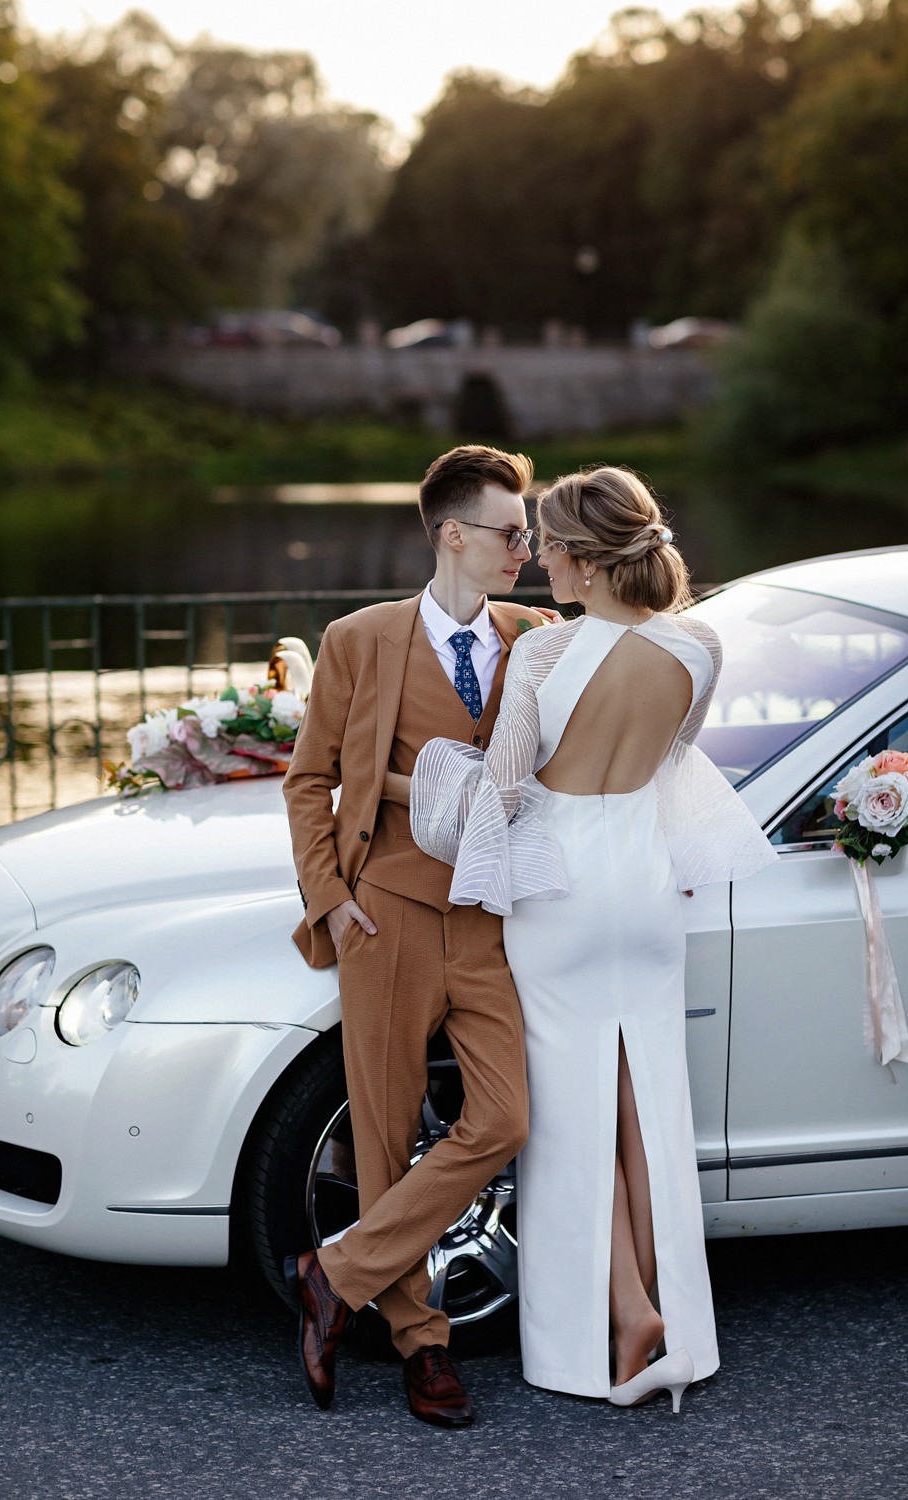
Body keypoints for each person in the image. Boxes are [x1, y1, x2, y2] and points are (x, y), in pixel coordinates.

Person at [411, 465, 777, 1411]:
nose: (537, 568)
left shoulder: (540, 657)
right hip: (646, 886)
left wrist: (425, 784)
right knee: (650, 1104)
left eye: (547, 549)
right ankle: (667, 1319)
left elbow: (500, 794)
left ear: (578, 559)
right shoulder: (698, 648)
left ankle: (611, 1325)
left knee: (574, 1116)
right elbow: (673, 755)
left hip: (561, 892)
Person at [283, 443, 551, 1429]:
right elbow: (309, 780)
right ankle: (422, 1348)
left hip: (488, 922)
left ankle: (332, 1274)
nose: (523, 548)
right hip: (385, 914)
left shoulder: (540, 636)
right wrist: (331, 899)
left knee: (503, 1119)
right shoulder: (358, 640)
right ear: (451, 534)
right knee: (383, 1136)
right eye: (507, 532)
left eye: (523, 534)